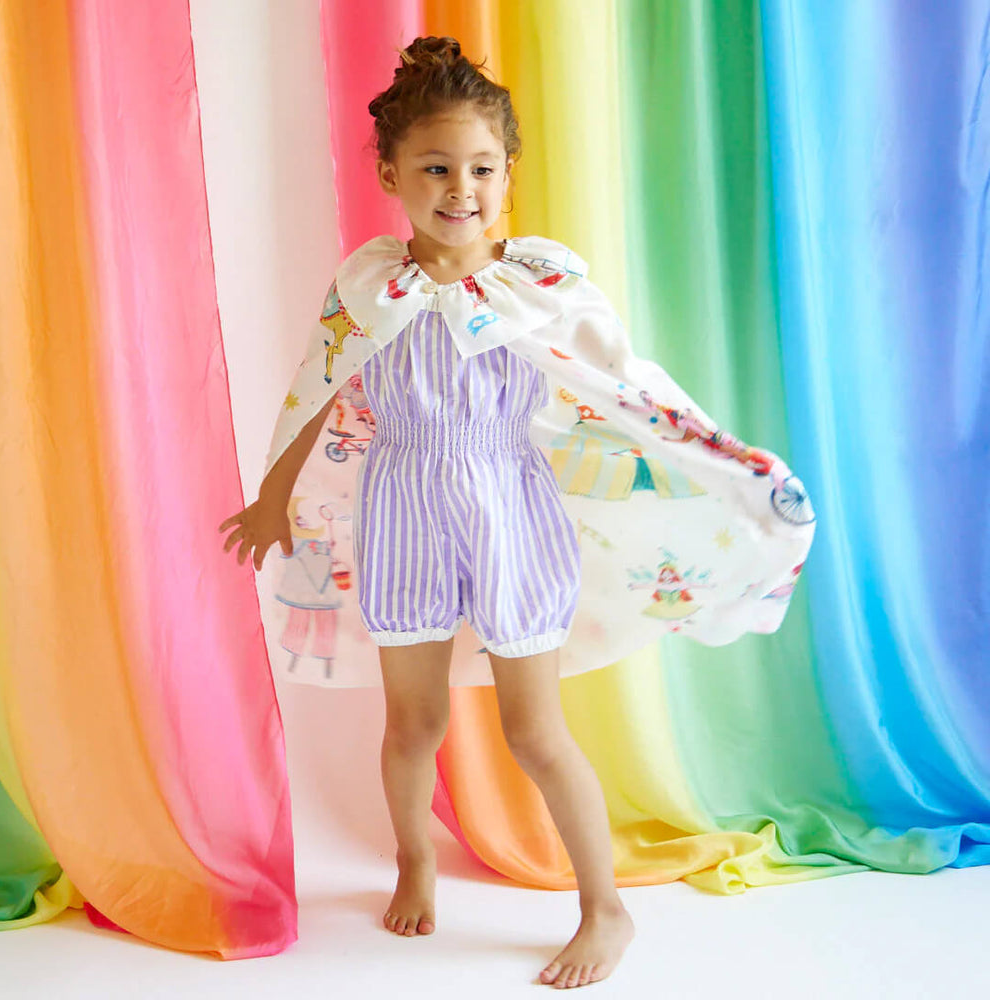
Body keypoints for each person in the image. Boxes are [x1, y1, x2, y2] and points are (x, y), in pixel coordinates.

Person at [219, 35, 814, 990]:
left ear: (507, 174)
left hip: (511, 505)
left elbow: (622, 385)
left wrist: (710, 462)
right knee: (412, 723)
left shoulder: (538, 283)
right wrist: (273, 497)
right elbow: (316, 386)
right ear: (390, 174)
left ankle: (604, 906)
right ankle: (414, 856)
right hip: (403, 507)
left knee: (535, 731)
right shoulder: (369, 284)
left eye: (482, 168)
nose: (461, 188)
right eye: (435, 167)